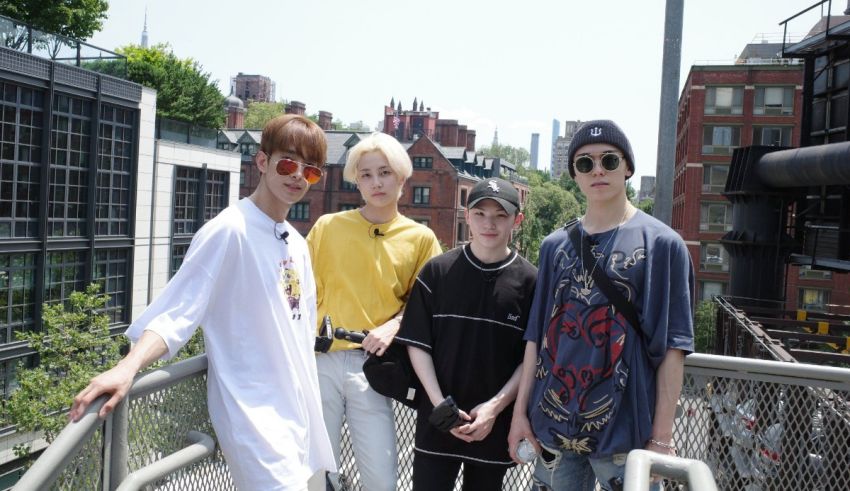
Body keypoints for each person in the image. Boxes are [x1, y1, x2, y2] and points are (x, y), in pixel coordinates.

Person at [69, 114, 335, 491]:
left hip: (295, 411)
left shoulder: (295, 241)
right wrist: (128, 366)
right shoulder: (229, 230)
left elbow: (302, 327)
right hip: (253, 414)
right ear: (262, 162)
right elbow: (179, 310)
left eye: (310, 172)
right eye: (289, 163)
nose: (297, 177)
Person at [508, 120, 694, 491]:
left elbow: (673, 346)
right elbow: (536, 338)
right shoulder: (554, 245)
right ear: (573, 173)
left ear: (627, 167)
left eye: (609, 160)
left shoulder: (663, 245)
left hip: (628, 433)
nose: (597, 170)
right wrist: (519, 414)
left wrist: (661, 438)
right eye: (584, 163)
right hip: (553, 424)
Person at [307, 132, 442, 491]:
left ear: (401, 177)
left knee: (381, 479)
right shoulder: (327, 227)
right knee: (317, 476)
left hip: (374, 367)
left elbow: (429, 306)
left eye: (384, 172)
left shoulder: (420, 238)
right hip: (319, 360)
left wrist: (394, 326)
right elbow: (299, 293)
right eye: (365, 174)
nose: (376, 182)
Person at [395, 177, 538, 490]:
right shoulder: (437, 271)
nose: (490, 224)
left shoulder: (530, 282)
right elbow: (417, 344)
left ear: (517, 220)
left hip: (493, 425)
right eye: (480, 213)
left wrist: (494, 408)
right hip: (437, 422)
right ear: (467, 214)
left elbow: (532, 356)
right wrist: (439, 405)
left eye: (501, 216)